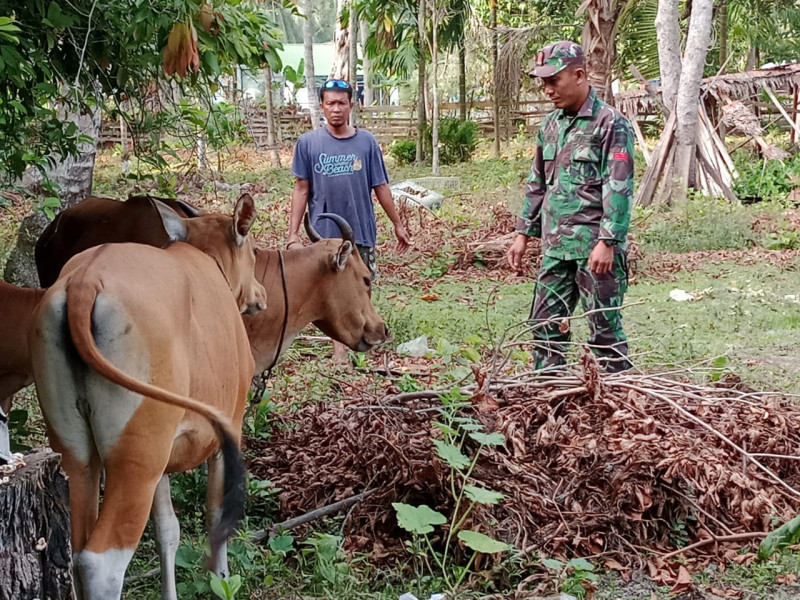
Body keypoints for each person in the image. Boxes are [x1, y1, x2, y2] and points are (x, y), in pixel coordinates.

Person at [506, 41, 635, 373]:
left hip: (594, 250)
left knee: (604, 331)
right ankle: (549, 393)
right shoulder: (550, 125)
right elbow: (538, 182)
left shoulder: (610, 123)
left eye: (554, 81)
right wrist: (523, 234)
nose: (547, 90)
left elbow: (619, 187)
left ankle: (618, 403)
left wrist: (608, 242)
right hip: (555, 248)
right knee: (545, 325)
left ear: (579, 75)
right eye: (543, 82)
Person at [287, 78, 411, 361]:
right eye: (330, 103)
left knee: (363, 286)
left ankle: (366, 336)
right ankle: (339, 352)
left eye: (342, 103)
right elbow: (301, 188)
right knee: (329, 292)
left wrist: (398, 224)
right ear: (321, 107)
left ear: (351, 106)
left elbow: (381, 187)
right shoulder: (308, 144)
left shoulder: (366, 143)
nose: (336, 109)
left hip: (360, 232)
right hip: (323, 236)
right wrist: (293, 234)